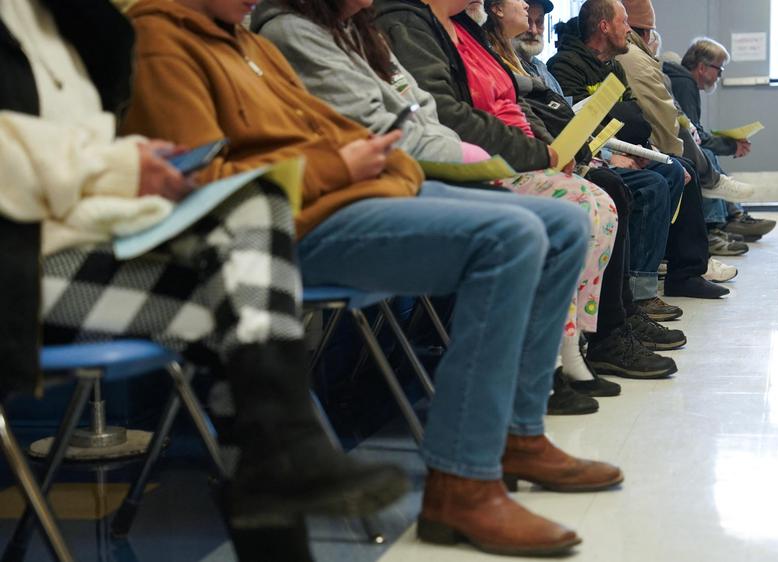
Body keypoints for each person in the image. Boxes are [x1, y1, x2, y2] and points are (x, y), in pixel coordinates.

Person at [121, 0, 625, 555]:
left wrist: (388, 169)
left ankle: (518, 434)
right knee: (511, 238)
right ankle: (462, 481)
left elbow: (364, 133)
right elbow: (203, 185)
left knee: (562, 224)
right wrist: (350, 168)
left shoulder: (247, 42)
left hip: (341, 194)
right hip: (281, 229)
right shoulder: (164, 41)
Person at [0, 1, 410, 559]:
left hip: (81, 244)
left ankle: (280, 460)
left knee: (255, 218)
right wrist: (122, 166)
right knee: (239, 313)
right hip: (19, 274)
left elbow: (71, 149)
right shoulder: (133, 30)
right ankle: (285, 465)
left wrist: (133, 163)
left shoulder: (73, 22)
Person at [373, 0, 682, 381]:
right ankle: (554, 355)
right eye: (526, 11)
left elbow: (516, 106)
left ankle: (578, 342)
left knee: (605, 197)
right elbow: (446, 115)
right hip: (461, 169)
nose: (531, 17)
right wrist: (542, 152)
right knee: (584, 203)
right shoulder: (412, 24)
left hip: (505, 155)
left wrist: (555, 150)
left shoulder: (467, 32)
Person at [548, 0, 729, 300]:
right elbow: (580, 123)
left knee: (681, 168)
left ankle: (685, 273)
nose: (629, 30)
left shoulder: (615, 67)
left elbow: (637, 121)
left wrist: (638, 147)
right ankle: (638, 290)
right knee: (654, 183)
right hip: (596, 155)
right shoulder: (565, 65)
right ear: (604, 27)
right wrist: (615, 144)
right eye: (624, 23)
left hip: (627, 149)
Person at [665, 37, 777, 242]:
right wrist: (731, 146)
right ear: (702, 67)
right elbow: (694, 138)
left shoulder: (682, 81)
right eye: (719, 69)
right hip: (674, 148)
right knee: (706, 156)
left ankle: (733, 215)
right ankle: (714, 225)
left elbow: (693, 131)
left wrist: (729, 144)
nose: (720, 76)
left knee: (707, 155)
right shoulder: (685, 83)